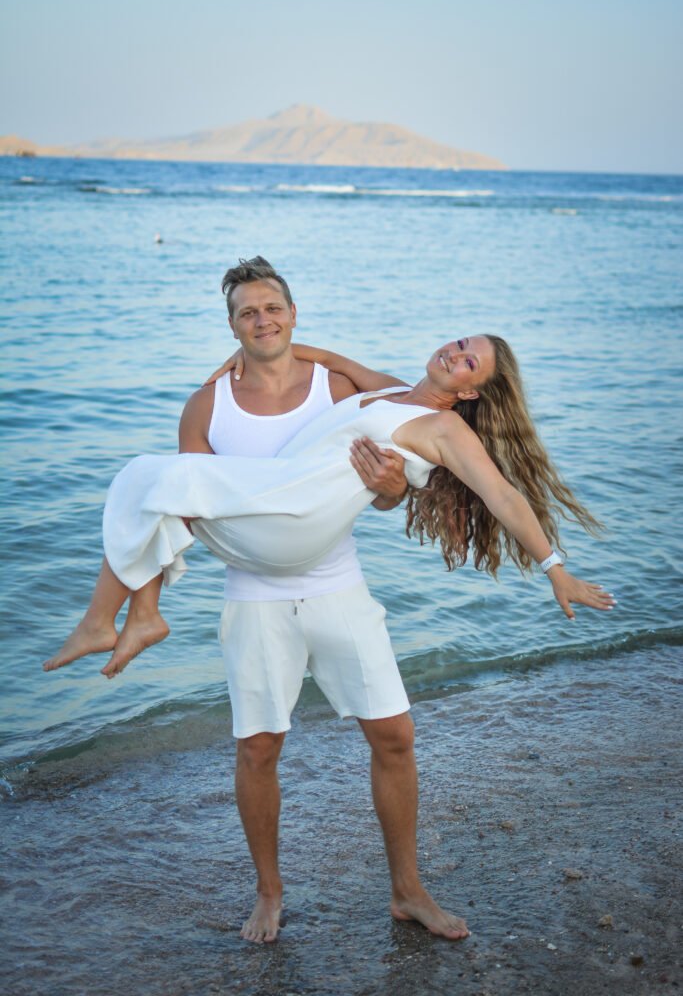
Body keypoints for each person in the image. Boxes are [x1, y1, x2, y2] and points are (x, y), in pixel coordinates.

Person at [44, 258, 614, 944]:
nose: (455, 354)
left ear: (471, 391)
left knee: (394, 735)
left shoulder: (444, 429)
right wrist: (242, 359)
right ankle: (266, 890)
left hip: (325, 563)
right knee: (255, 740)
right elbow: (329, 358)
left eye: (470, 362)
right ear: (234, 324)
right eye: (461, 342)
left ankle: (408, 891)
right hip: (256, 570)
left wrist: (553, 567)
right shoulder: (375, 387)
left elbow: (501, 494)